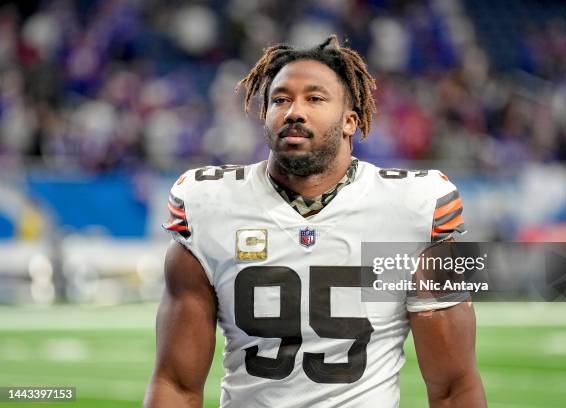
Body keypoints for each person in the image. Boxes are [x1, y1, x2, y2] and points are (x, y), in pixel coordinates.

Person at [143, 35, 486, 407]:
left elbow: (454, 386)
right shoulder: (208, 205)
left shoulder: (414, 207)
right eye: (280, 99)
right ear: (266, 116)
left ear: (350, 122)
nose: (294, 111)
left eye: (315, 98)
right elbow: (175, 384)